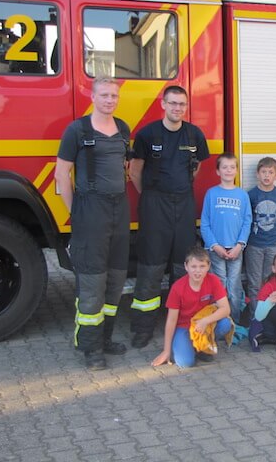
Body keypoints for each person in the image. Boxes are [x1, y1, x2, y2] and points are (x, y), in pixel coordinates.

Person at [54, 76, 131, 370]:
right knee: (92, 282)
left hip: (119, 210)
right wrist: (78, 214)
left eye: (114, 95)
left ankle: (106, 337)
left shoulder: (123, 128)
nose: (110, 100)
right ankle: (90, 348)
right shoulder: (77, 130)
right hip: (90, 212)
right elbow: (62, 176)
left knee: (115, 280)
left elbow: (124, 169)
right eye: (104, 95)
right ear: (93, 96)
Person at [128, 85, 209, 349]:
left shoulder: (194, 134)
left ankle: (181, 325)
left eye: (182, 104)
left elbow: (196, 168)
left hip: (183, 205)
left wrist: (177, 192)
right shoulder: (147, 134)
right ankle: (142, 329)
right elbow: (135, 171)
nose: (177, 108)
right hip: (154, 204)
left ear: (186, 107)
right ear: (163, 104)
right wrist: (153, 196)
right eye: (172, 103)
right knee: (151, 267)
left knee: (182, 267)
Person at [151, 247, 233, 368]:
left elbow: (226, 309)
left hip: (203, 324)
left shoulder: (213, 280)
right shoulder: (177, 288)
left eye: (202, 266)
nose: (198, 271)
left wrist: (205, 321)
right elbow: (171, 320)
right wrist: (166, 350)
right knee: (185, 363)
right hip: (184, 327)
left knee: (225, 323)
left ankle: (202, 348)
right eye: (193, 267)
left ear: (208, 266)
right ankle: (184, 345)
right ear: (186, 266)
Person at [200, 153, 252, 324]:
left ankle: (235, 323)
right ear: (217, 171)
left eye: (232, 167)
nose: (229, 170)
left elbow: (247, 221)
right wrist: (215, 246)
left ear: (237, 170)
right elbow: (205, 222)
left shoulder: (242, 195)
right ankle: (221, 323)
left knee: (234, 287)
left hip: (236, 249)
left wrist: (239, 245)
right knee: (220, 285)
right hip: (216, 249)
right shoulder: (211, 193)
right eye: (224, 167)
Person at [245, 157, 276, 313]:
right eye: (263, 172)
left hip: (273, 245)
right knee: (254, 282)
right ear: (257, 174)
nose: (267, 175)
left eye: (270, 172)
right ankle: (255, 314)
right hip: (254, 245)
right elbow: (245, 219)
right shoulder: (251, 195)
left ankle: (268, 312)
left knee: (270, 280)